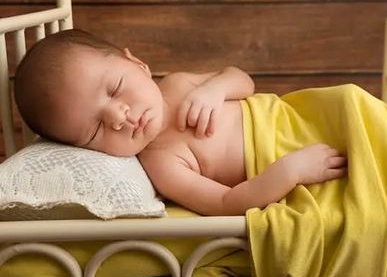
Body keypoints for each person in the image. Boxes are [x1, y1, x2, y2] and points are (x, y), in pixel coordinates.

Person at [15, 28, 348, 216]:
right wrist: (291, 171)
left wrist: (215, 89)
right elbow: (226, 204)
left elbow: (243, 80)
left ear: (138, 64)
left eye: (115, 88)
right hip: (287, 160)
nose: (119, 117)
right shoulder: (161, 163)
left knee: (349, 103)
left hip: (293, 117)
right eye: (96, 130)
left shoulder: (176, 84)